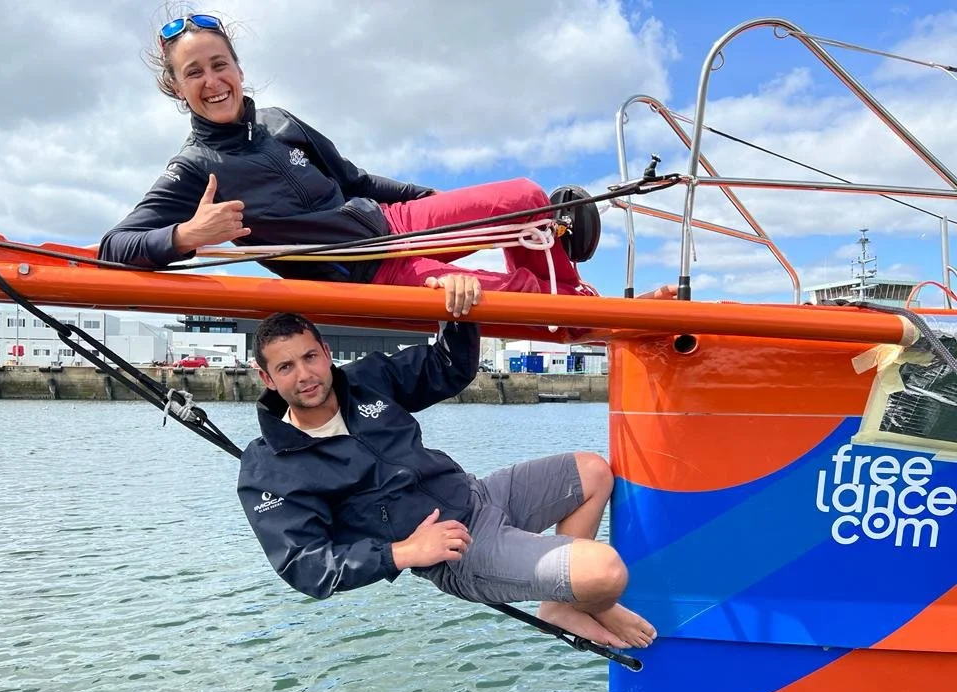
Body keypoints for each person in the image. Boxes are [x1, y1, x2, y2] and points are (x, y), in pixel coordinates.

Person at [236, 304, 657, 650]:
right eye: (286, 367)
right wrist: (402, 552)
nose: (305, 375)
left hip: (479, 494)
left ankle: (564, 601)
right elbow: (306, 565)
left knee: (593, 471)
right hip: (458, 547)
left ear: (326, 353)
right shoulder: (270, 465)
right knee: (606, 573)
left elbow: (448, 368)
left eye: (310, 357)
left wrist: (455, 311)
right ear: (267, 378)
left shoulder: (364, 381)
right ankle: (587, 597)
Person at [98, 13, 598, 301]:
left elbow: (355, 180)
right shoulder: (193, 167)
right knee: (521, 293)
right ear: (175, 87)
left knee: (525, 200)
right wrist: (188, 235)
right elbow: (113, 248)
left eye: (219, 64)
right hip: (369, 270)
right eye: (193, 73)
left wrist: (460, 209)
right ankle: (570, 316)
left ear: (238, 68)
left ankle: (575, 300)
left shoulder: (278, 121)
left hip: (395, 220)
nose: (212, 82)